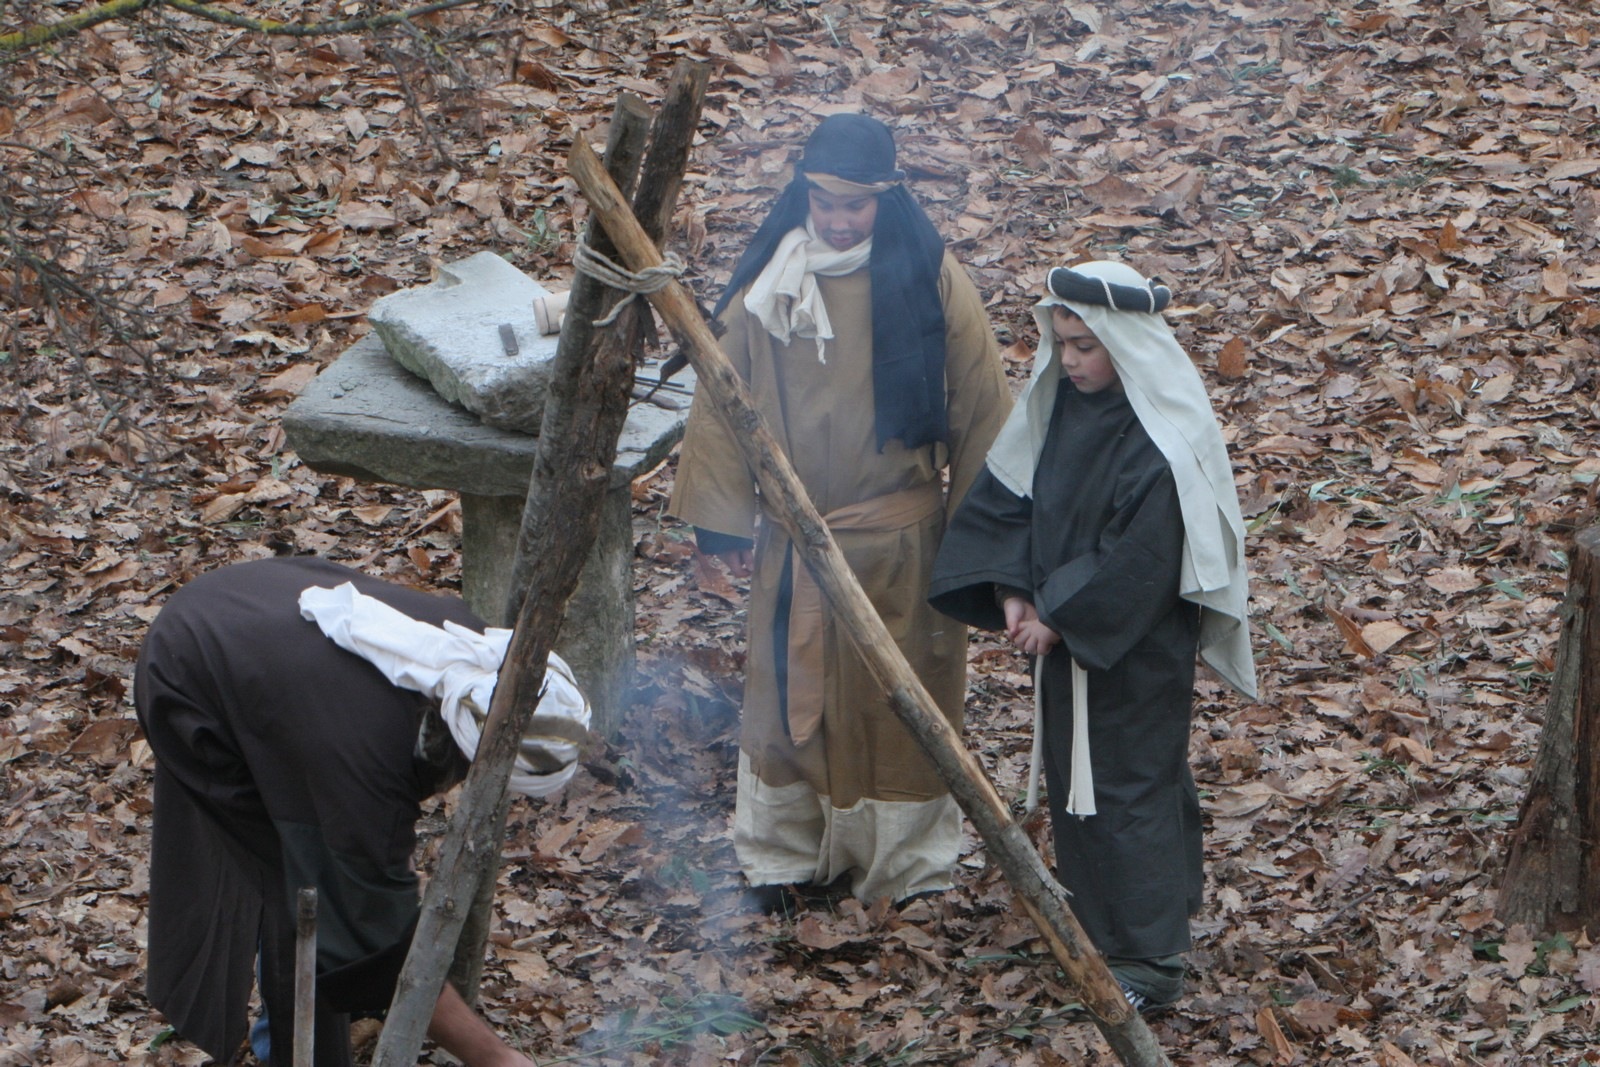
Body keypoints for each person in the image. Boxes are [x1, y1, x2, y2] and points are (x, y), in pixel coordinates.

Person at [669, 113, 1012, 908]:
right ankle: (786, 857)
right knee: (791, 708)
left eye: (856, 204)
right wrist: (721, 522)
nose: (838, 218)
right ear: (806, 195)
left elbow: (983, 410)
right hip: (797, 543)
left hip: (901, 542)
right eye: (825, 201)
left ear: (886, 199)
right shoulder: (771, 285)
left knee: (900, 708)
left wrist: (979, 542)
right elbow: (724, 398)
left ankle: (902, 865)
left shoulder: (930, 281)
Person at [928, 261, 1257, 1013]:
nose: (1069, 360)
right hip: (1067, 641)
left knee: (1130, 786)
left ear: (1127, 345)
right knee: (1083, 792)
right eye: (1062, 342)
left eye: (1086, 345)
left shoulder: (1162, 434)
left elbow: (1141, 552)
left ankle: (1152, 958)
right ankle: (1111, 934)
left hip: (1134, 649)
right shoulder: (1059, 406)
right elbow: (1012, 497)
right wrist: (1013, 590)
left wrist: (1059, 615)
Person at [135, 555, 588, 1066]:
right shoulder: (362, 771)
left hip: (253, 602)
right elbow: (378, 938)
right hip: (190, 671)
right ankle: (298, 1054)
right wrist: (496, 1058)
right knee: (306, 892)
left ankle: (310, 1022)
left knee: (328, 881)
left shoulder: (476, 652)